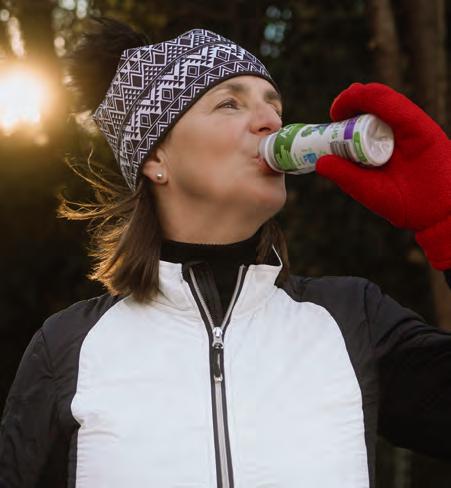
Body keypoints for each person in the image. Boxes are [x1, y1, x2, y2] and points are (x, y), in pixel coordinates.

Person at [0, 16, 450, 488]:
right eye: (229, 103)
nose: (271, 120)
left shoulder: (353, 320)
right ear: (155, 157)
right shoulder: (69, 348)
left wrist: (446, 220)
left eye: (273, 104)